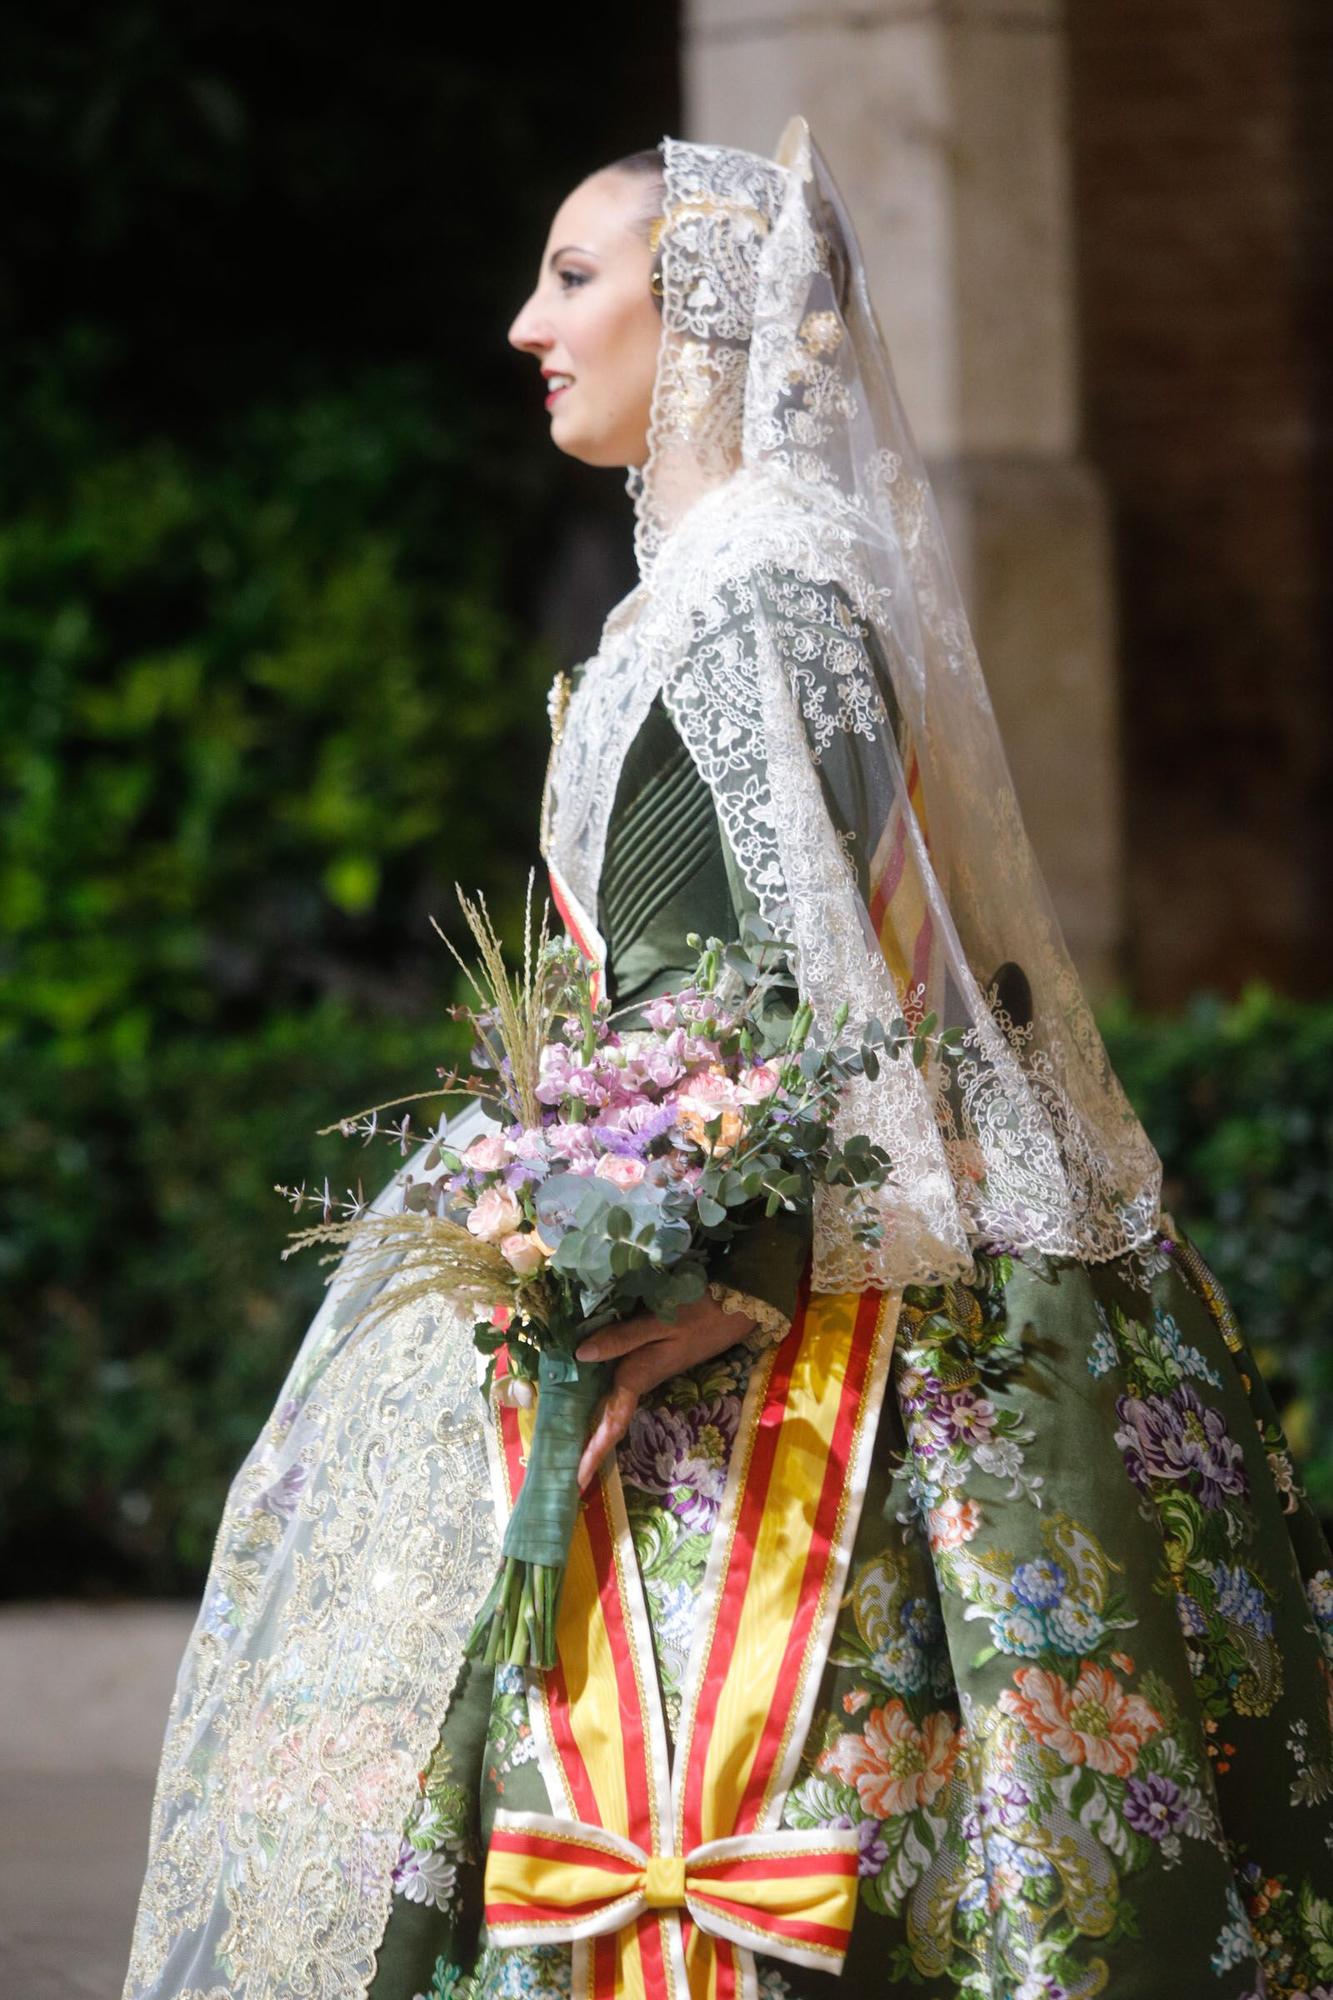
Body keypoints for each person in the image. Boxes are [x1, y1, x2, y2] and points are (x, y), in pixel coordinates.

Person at [123, 123, 1333, 2000]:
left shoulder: (742, 597)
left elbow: (746, 1014)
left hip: (751, 1280)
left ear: (697, 321)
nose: (528, 322)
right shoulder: (778, 573)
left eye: (573, 277)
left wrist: (669, 1261)